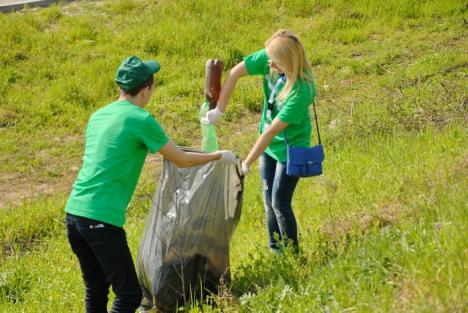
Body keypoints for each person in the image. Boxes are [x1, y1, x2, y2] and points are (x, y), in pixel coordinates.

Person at [65, 55, 238, 313]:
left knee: (96, 288)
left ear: (120, 88)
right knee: (130, 295)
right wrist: (218, 156)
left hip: (74, 214)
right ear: (146, 90)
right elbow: (180, 159)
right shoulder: (140, 119)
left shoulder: (99, 115)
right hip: (101, 219)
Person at [202, 29, 316, 254]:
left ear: (287, 62)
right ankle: (275, 250)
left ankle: (292, 255)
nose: (269, 65)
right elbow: (234, 73)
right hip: (269, 148)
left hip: (289, 151)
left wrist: (246, 163)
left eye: (275, 62)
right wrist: (219, 111)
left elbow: (271, 132)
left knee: (279, 203)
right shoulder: (271, 55)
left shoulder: (302, 90)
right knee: (268, 202)